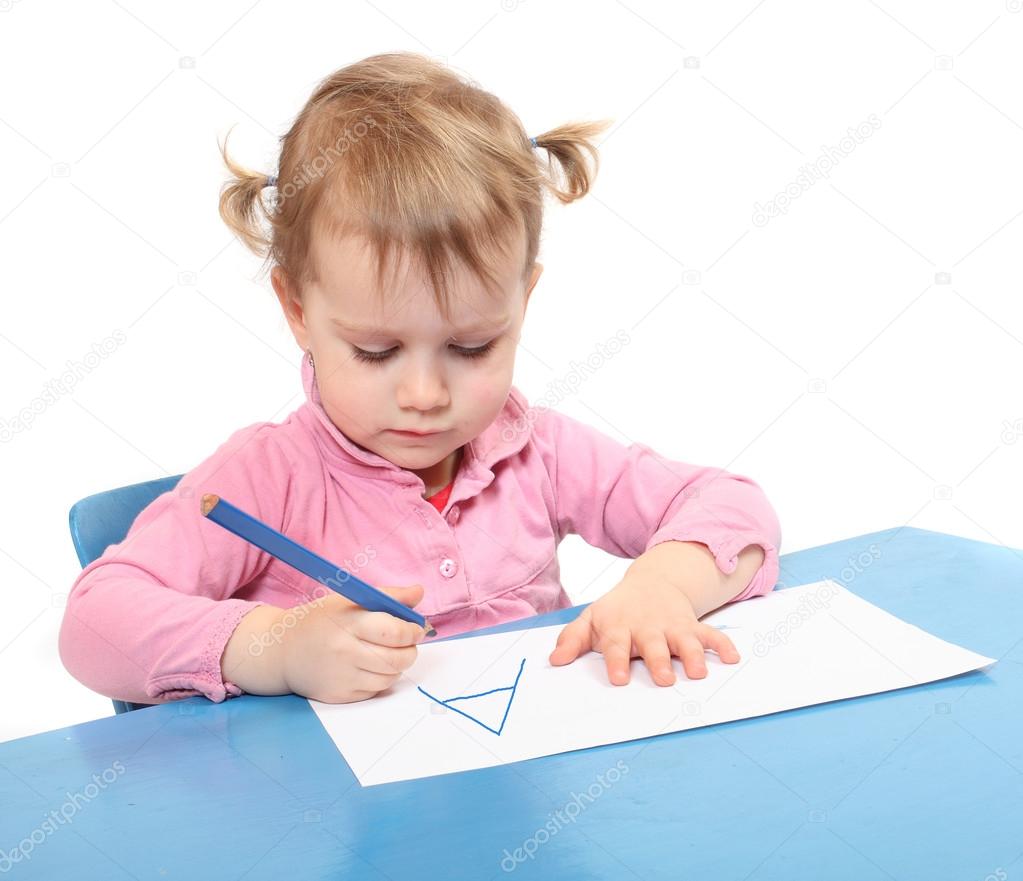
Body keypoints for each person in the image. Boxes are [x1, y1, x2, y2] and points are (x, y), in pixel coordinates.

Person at [59, 52, 781, 708]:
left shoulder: (537, 452)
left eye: (471, 346)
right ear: (297, 309)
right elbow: (94, 624)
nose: (425, 396)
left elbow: (732, 508)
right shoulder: (266, 476)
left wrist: (662, 586)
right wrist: (274, 648)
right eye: (376, 351)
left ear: (521, 304)